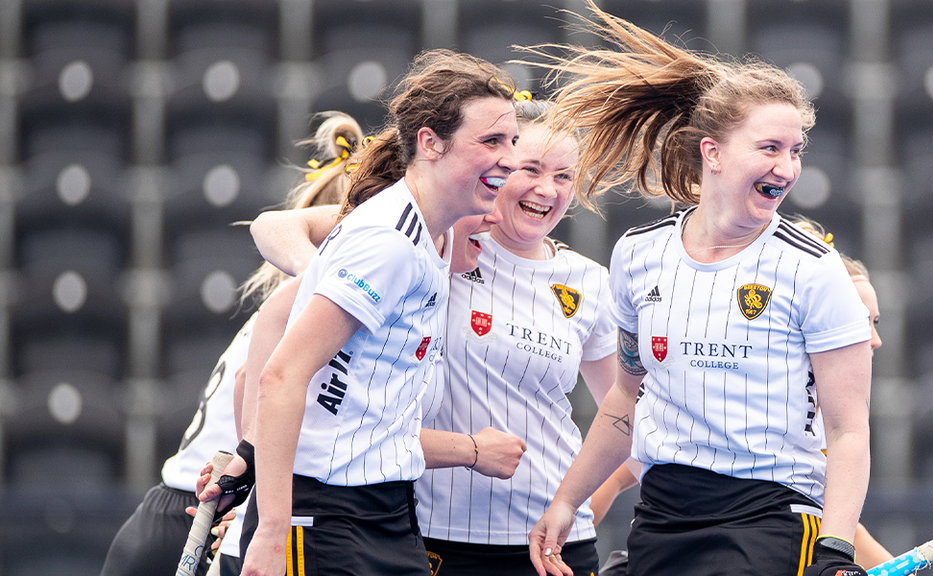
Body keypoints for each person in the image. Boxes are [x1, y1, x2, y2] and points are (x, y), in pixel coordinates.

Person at [520, 5, 874, 576]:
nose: (786, 167)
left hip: (769, 518)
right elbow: (625, 400)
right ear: (712, 153)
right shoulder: (638, 254)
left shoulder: (814, 268)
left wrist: (836, 549)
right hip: (661, 516)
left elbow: (848, 429)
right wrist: (569, 499)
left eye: (796, 151)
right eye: (770, 148)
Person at [246, 96, 618, 576]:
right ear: (498, 167)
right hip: (430, 530)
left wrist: (579, 501)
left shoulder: (588, 280)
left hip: (548, 543)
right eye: (530, 169)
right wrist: (322, 275)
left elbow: (625, 409)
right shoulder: (436, 236)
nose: (546, 189)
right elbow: (275, 233)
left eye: (564, 176)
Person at [199, 49, 520, 576]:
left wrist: (248, 457)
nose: (507, 158)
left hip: (384, 510)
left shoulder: (432, 233)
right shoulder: (388, 242)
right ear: (430, 143)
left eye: (510, 141)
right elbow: (280, 374)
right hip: (326, 517)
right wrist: (273, 530)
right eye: (490, 142)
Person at [96, 112, 363, 576]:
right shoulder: (316, 305)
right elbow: (252, 383)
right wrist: (257, 495)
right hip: (199, 517)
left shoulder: (294, 299)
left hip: (165, 511)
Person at [589, 217, 895, 574]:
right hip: (671, 536)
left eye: (874, 322)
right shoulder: (750, 394)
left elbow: (841, 521)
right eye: (861, 323)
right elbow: (622, 464)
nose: (872, 339)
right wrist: (574, 519)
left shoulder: (825, 416)